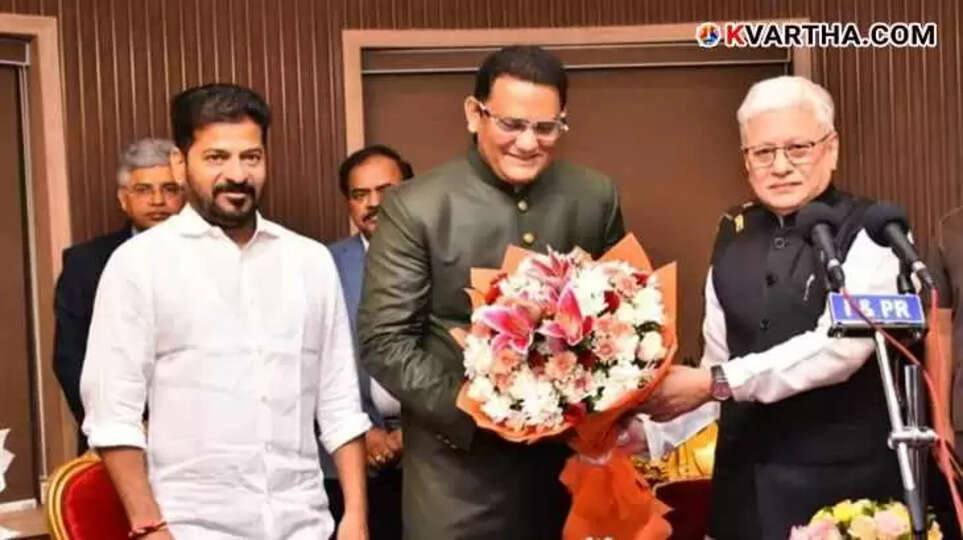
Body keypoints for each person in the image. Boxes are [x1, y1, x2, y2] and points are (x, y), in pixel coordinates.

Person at [357, 45, 625, 539]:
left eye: (546, 128)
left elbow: (619, 318)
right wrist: (480, 412)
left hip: (569, 473)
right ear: (473, 113)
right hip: (457, 485)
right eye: (511, 125)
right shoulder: (417, 207)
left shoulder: (593, 195)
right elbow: (385, 342)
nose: (528, 143)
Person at [80, 84, 370, 540]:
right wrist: (148, 525)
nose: (237, 174)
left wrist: (355, 516)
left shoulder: (309, 262)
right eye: (216, 157)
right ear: (181, 162)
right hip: (191, 527)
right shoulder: (140, 265)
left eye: (251, 157)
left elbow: (339, 404)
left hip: (306, 524)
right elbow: (112, 412)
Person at [641, 75, 902, 539]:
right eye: (763, 153)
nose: (780, 166)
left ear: (831, 148)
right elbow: (713, 369)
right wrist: (646, 435)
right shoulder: (731, 236)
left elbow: (840, 349)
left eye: (798, 148)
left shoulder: (873, 231)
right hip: (741, 499)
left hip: (841, 499)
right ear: (746, 160)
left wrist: (717, 382)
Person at [53, 137, 185, 452]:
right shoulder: (86, 262)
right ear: (123, 199)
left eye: (169, 189)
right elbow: (70, 358)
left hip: (197, 433)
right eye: (143, 190)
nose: (157, 200)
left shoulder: (214, 256)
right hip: (116, 437)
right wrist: (118, 425)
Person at [323, 144, 413, 538]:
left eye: (386, 191)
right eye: (360, 195)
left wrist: (416, 433)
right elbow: (308, 363)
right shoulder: (322, 265)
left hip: (435, 456)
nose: (373, 204)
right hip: (349, 457)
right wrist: (365, 433)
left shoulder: (446, 258)